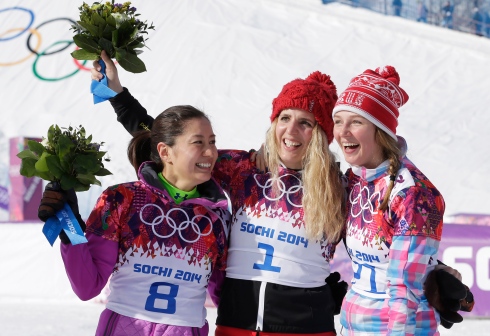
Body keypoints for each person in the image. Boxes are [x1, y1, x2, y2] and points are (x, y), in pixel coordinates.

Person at [91, 50, 347, 335]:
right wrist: (117, 95)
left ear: (321, 133)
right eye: (285, 117)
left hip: (308, 327)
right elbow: (171, 143)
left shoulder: (340, 186)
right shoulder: (243, 169)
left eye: (306, 123)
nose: (291, 130)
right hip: (237, 324)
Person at [37, 105, 230, 335]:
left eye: (212, 142)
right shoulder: (122, 199)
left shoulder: (217, 218)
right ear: (165, 152)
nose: (210, 152)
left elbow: (227, 301)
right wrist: (70, 229)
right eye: (198, 142)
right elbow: (87, 286)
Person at [332, 65, 444, 335]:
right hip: (353, 326)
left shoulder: (412, 193)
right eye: (338, 121)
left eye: (356, 122)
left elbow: (403, 288)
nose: (343, 131)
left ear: (380, 131)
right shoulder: (355, 181)